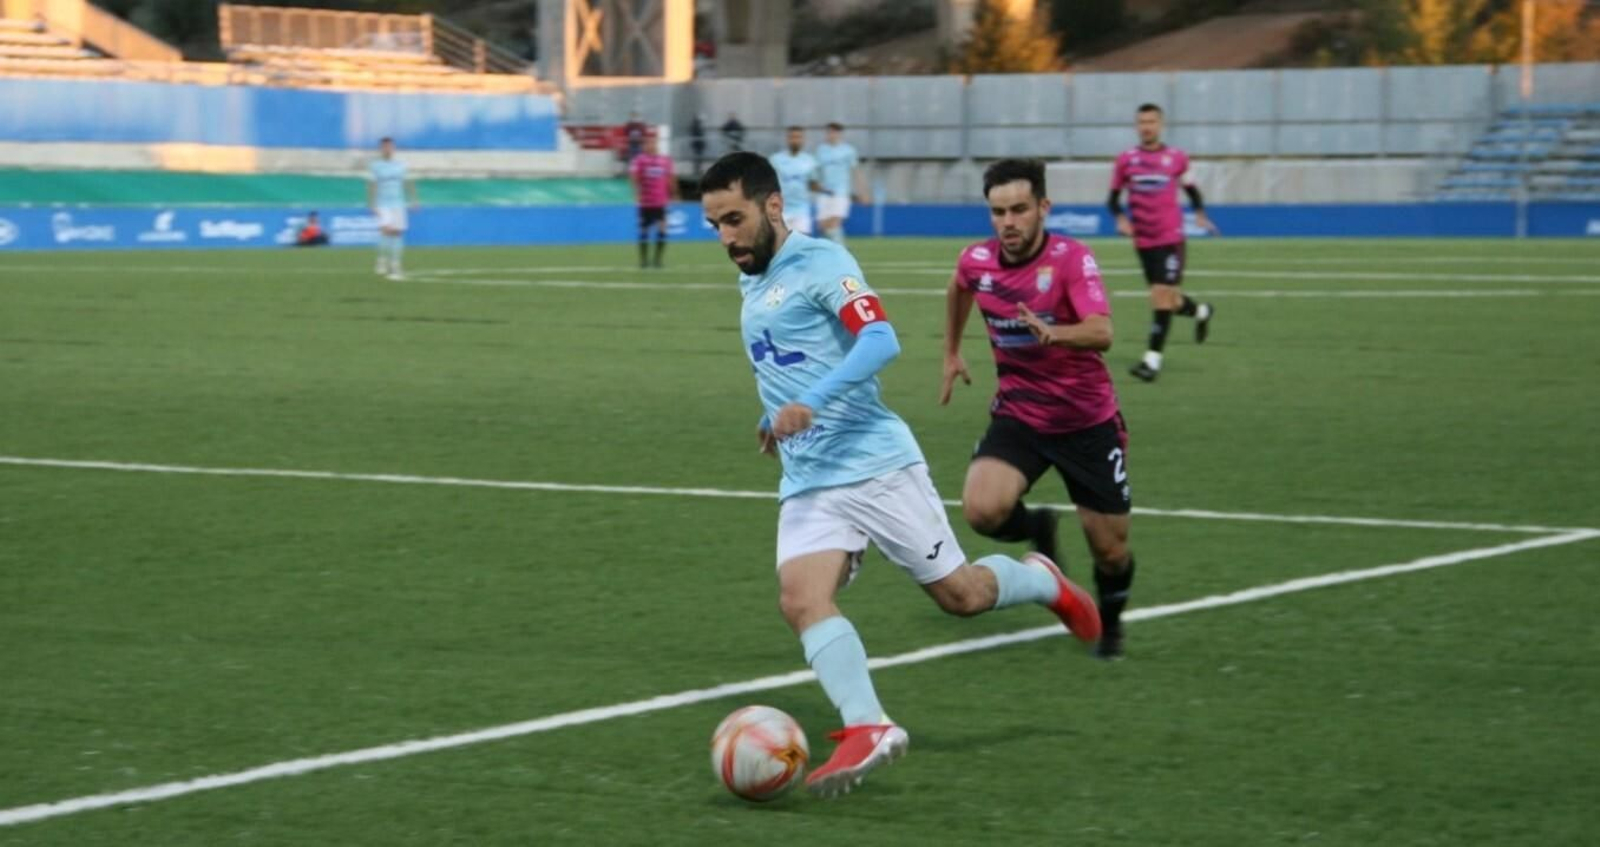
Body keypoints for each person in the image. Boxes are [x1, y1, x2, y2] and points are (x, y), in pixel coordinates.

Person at [700, 151, 1101, 799]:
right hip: (808, 476)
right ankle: (869, 724)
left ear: (774, 206)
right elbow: (791, 355)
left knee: (962, 596)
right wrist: (774, 416)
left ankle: (1040, 580)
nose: (726, 237)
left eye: (735, 219)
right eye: (715, 224)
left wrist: (813, 403)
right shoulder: (753, 274)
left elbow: (881, 340)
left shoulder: (824, 262)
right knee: (800, 598)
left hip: (873, 463)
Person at [941, 158, 1136, 661]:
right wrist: (951, 350)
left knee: (1110, 550)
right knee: (981, 510)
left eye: (1020, 209)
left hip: (1086, 422)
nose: (1008, 221)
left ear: (1043, 208)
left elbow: (1104, 331)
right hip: (1020, 414)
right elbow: (959, 287)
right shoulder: (977, 260)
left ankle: (1110, 627)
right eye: (998, 211)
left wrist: (1058, 333)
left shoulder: (1071, 259)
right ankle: (1039, 529)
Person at [1108, 103, 1217, 383]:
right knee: (1171, 300)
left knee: (1160, 297)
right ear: (1137, 126)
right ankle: (1203, 311)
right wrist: (1120, 219)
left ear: (1161, 124)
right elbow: (1112, 199)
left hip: (1170, 239)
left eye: (1152, 121)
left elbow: (1192, 190)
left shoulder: (1177, 158)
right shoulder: (1126, 160)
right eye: (1142, 122)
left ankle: (1151, 361)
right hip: (1143, 242)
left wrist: (1201, 215)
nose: (1147, 126)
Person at [368, 137, 418, 281]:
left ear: (394, 148)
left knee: (398, 233)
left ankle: (395, 264)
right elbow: (372, 184)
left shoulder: (401, 165)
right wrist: (372, 204)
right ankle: (382, 259)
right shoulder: (375, 166)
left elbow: (408, 183)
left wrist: (414, 200)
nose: (387, 149)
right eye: (384, 147)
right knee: (386, 230)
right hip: (383, 203)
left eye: (390, 146)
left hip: (398, 203)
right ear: (381, 149)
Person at [629, 134, 678, 269]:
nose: (651, 145)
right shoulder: (640, 160)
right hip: (645, 202)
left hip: (660, 202)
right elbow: (633, 176)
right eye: (648, 143)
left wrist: (674, 193)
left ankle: (657, 260)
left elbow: (671, 178)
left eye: (653, 143)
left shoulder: (665, 160)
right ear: (644, 145)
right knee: (643, 230)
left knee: (663, 228)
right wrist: (637, 192)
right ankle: (643, 261)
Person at [813, 122, 861, 245]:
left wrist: (861, 191)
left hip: (841, 192)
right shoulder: (820, 150)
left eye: (834, 132)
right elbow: (815, 172)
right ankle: (836, 248)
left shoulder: (848, 150)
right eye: (829, 132)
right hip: (824, 193)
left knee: (835, 222)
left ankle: (841, 251)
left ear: (839, 134)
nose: (831, 135)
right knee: (823, 226)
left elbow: (855, 171)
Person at [768, 126, 821, 236]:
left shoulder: (810, 161)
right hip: (780, 209)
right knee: (780, 246)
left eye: (798, 137)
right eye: (792, 137)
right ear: (787, 139)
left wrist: (825, 191)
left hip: (801, 209)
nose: (795, 140)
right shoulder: (775, 160)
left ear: (803, 140)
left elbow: (813, 184)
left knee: (802, 244)